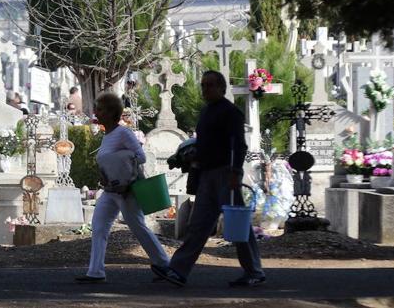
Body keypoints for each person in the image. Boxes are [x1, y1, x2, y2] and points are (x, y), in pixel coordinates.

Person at [152, 70, 265, 287]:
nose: (206, 89)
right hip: (207, 175)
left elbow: (238, 145)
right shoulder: (206, 112)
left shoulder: (231, 112)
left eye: (210, 85)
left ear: (222, 88)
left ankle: (254, 270)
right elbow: (204, 145)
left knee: (238, 225)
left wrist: (235, 172)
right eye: (203, 85)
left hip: (225, 174)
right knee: (198, 225)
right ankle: (178, 270)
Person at [75, 92, 169, 284]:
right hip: (111, 190)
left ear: (110, 112)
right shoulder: (107, 135)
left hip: (128, 190)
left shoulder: (123, 133)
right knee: (99, 226)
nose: (96, 112)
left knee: (137, 226)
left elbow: (140, 156)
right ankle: (96, 272)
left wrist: (123, 172)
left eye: (100, 109)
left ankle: (165, 264)